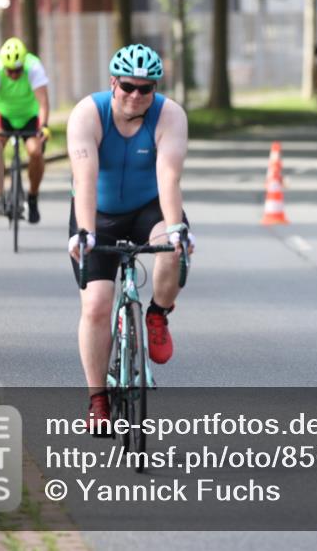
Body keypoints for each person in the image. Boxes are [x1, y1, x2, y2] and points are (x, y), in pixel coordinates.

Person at [65, 43, 193, 426]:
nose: (136, 96)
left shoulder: (169, 115)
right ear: (113, 83)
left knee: (172, 250)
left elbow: (168, 176)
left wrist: (175, 230)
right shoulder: (88, 113)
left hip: (147, 209)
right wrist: (84, 233)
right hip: (98, 213)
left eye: (146, 88)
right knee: (97, 305)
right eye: (128, 87)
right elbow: (84, 179)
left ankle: (156, 315)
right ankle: (98, 400)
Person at [0, 37, 50, 222]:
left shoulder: (34, 66)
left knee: (35, 152)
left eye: (17, 71)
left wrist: (44, 127)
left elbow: (43, 102)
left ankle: (33, 197)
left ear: (23, 64)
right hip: (4, 115)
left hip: (29, 116)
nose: (13, 75)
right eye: (10, 71)